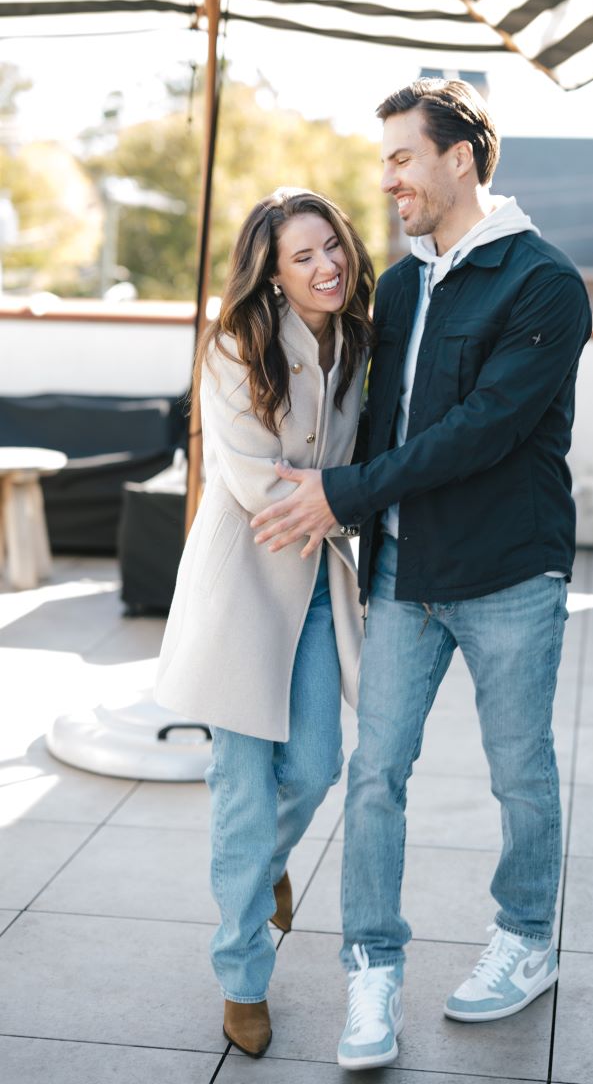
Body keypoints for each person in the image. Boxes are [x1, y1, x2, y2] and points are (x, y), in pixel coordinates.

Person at [251, 79, 592, 1069]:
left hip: (508, 576)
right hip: (402, 572)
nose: (387, 175)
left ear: (459, 156)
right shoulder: (397, 288)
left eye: (402, 155)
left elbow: (479, 432)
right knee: (374, 777)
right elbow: (338, 387)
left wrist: (341, 495)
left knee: (517, 772)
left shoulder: (541, 283)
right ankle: (371, 967)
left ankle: (525, 940)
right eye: (386, 156)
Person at [155, 187, 373, 1059]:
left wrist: (340, 498)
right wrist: (342, 499)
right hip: (243, 585)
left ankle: (267, 865)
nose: (327, 267)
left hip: (318, 581)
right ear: (274, 276)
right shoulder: (234, 344)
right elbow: (251, 481)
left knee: (318, 765)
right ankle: (242, 976)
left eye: (334, 248)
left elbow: (358, 463)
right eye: (303, 257)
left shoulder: (359, 345)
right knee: (242, 794)